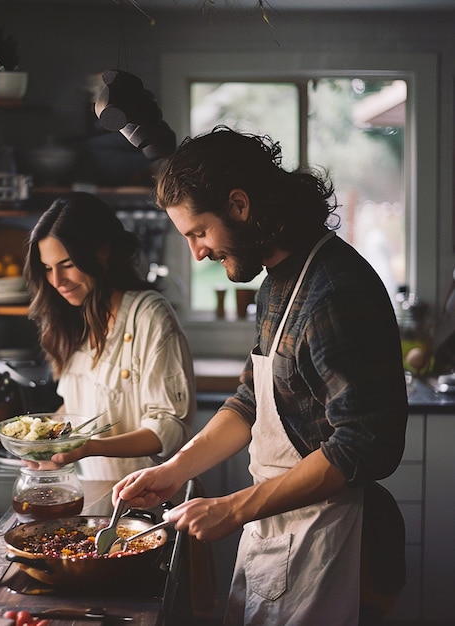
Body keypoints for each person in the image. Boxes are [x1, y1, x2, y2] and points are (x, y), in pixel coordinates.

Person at [113, 127, 408, 625]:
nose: (198, 253)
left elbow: (364, 445)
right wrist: (173, 471)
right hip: (280, 530)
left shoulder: (333, 291)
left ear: (240, 205)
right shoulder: (277, 284)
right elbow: (252, 402)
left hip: (330, 538)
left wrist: (234, 508)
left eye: (199, 232)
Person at [24, 191, 196, 481]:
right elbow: (83, 404)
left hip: (152, 501)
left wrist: (90, 447)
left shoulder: (148, 316)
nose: (56, 281)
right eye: (47, 269)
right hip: (97, 496)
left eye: (67, 265)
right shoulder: (73, 319)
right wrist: (44, 440)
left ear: (102, 252)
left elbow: (168, 427)